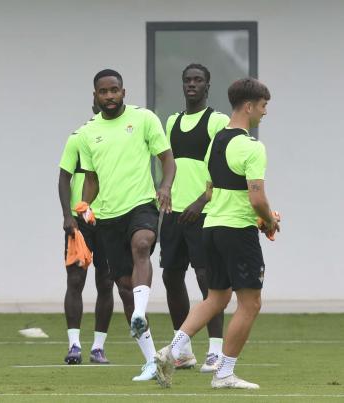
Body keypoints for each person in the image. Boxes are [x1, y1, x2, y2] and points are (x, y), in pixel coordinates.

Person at [155, 78, 277, 390]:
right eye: (263, 107)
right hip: (237, 231)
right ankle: (224, 373)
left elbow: (211, 191)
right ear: (249, 106)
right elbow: (256, 198)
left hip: (212, 228)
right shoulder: (252, 147)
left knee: (217, 297)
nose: (265, 113)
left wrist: (262, 216)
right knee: (250, 303)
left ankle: (173, 349)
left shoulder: (215, 144)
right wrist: (270, 221)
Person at [77, 69, 176, 380]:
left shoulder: (144, 118)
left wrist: (165, 186)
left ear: (123, 91)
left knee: (142, 244)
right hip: (107, 217)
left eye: (114, 90)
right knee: (122, 285)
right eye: (103, 92)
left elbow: (167, 158)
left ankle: (137, 312)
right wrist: (84, 208)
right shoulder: (86, 133)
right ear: (95, 96)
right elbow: (91, 179)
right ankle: (151, 361)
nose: (109, 96)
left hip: (142, 204)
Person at [160, 64, 229, 372]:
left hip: (204, 213)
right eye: (187, 79)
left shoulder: (217, 121)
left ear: (208, 85)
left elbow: (224, 168)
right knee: (171, 277)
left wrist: (202, 200)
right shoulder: (171, 121)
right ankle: (183, 349)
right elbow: (169, 166)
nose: (191, 84)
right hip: (174, 214)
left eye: (198, 80)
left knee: (207, 281)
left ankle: (215, 351)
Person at [58, 100, 114, 365]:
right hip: (81, 223)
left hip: (111, 219)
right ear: (95, 105)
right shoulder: (78, 137)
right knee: (75, 281)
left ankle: (98, 348)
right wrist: (68, 215)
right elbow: (63, 178)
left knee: (105, 282)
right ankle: (74, 346)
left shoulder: (118, 142)